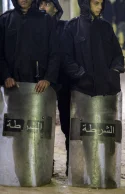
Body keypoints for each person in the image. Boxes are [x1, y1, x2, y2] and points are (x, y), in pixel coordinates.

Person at [63, 0, 125, 97]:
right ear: (85, 3)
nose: (100, 7)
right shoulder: (72, 27)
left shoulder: (106, 27)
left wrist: (114, 72)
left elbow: (118, 55)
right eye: (96, 3)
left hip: (107, 90)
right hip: (81, 91)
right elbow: (66, 58)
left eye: (101, 4)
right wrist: (82, 76)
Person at [38, 0, 70, 176]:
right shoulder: (34, 28)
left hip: (64, 83)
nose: (43, 8)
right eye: (40, 4)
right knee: (41, 125)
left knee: (67, 126)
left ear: (55, 8)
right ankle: (44, 165)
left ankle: (70, 165)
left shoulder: (66, 27)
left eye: (47, 4)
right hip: (41, 83)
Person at [0, 0, 59, 92]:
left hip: (40, 85)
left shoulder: (46, 20)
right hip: (11, 85)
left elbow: (55, 52)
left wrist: (48, 78)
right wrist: (6, 76)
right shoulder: (5, 20)